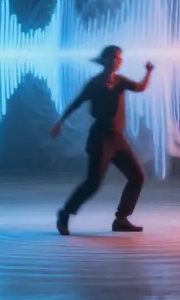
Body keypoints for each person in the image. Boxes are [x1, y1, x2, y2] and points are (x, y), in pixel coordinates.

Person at [50, 45, 153, 235]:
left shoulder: (120, 81)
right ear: (106, 59)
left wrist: (148, 72)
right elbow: (77, 103)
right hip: (101, 140)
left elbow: (140, 87)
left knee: (137, 176)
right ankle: (65, 214)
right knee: (93, 183)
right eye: (116, 57)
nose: (120, 61)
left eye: (121, 58)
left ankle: (121, 219)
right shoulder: (95, 84)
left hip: (118, 140)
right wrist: (60, 122)